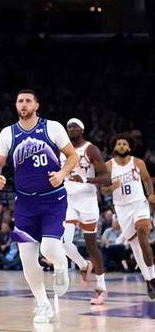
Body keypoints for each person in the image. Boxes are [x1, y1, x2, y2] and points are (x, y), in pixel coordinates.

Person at [0, 90, 78, 323]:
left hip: (53, 199)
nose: (24, 104)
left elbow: (72, 156)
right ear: (15, 105)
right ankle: (43, 304)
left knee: (49, 248)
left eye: (28, 101)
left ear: (36, 105)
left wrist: (62, 174)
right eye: (20, 101)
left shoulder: (53, 127)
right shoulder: (8, 133)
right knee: (27, 259)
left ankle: (61, 265)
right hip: (25, 203)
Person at [59, 118, 111, 305]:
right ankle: (83, 265)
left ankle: (101, 288)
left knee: (91, 246)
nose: (71, 129)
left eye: (75, 127)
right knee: (63, 242)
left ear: (82, 130)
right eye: (69, 127)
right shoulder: (62, 150)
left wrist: (86, 180)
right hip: (69, 200)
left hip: (87, 200)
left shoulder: (91, 149)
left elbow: (106, 178)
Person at [102, 135, 155, 298]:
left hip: (139, 204)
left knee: (142, 235)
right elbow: (103, 189)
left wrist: (151, 194)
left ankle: (153, 276)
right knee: (136, 247)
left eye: (125, 144)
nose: (122, 146)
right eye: (119, 144)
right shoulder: (108, 166)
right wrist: (111, 188)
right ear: (114, 148)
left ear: (129, 148)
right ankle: (148, 279)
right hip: (122, 208)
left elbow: (147, 180)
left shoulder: (138, 162)